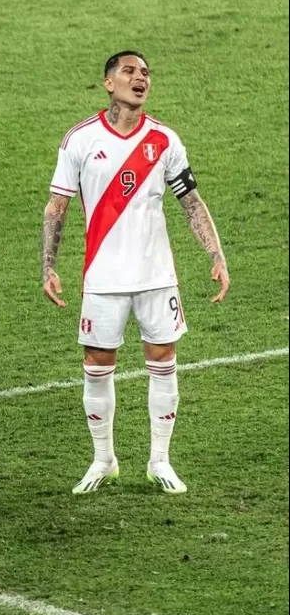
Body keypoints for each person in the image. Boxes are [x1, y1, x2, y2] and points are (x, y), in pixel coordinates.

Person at [42, 51, 230, 495]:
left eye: (145, 73)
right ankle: (103, 459)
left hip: (156, 275)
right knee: (96, 365)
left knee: (163, 362)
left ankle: (160, 460)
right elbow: (58, 206)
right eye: (129, 71)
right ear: (108, 83)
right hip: (102, 277)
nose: (139, 78)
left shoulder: (164, 140)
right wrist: (48, 265)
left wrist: (216, 253)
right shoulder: (81, 140)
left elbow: (190, 202)